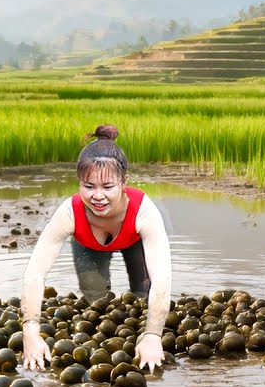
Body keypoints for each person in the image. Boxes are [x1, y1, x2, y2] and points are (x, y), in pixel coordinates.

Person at [20, 124, 171, 373]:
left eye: (107, 187)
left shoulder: (144, 210)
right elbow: (35, 273)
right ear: (79, 183)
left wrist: (153, 335)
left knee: (143, 293)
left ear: (124, 182)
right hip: (88, 242)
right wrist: (30, 330)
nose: (97, 196)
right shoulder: (69, 212)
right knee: (94, 297)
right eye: (89, 187)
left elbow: (162, 278)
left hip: (133, 241)